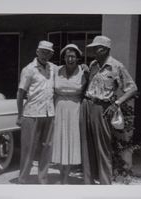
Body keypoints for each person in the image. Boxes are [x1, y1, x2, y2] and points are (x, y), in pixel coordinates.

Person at [80, 36, 138, 185]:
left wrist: (117, 102)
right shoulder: (93, 64)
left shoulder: (116, 66)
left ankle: (105, 183)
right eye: (93, 48)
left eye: (97, 47)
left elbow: (132, 89)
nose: (94, 50)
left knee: (102, 146)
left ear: (106, 49)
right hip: (87, 105)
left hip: (102, 108)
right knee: (87, 146)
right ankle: (88, 182)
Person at [16, 40, 56, 184]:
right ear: (37, 52)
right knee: (28, 150)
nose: (45, 55)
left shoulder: (54, 69)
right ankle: (23, 180)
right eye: (43, 51)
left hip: (49, 114)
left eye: (48, 52)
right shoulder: (29, 69)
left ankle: (42, 179)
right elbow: (20, 93)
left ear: (51, 54)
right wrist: (19, 115)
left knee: (47, 148)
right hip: (31, 114)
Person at [52, 44, 87, 184]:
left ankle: (66, 176)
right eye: (67, 56)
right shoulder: (56, 70)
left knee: (71, 141)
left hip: (75, 109)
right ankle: (62, 175)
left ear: (78, 58)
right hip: (59, 108)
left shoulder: (83, 72)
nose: (70, 59)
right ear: (64, 58)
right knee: (60, 140)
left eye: (73, 56)